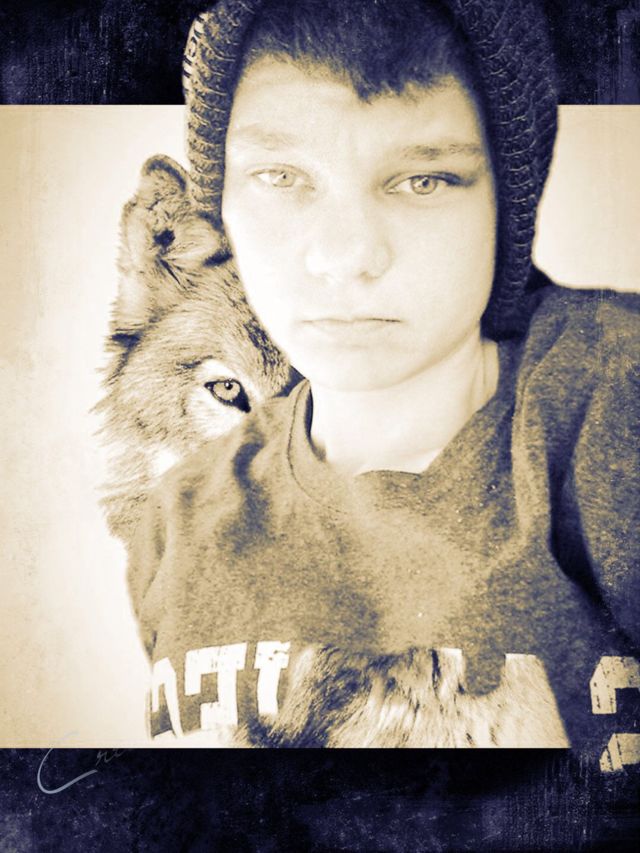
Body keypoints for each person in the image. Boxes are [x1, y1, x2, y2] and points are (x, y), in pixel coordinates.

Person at [128, 0, 639, 761]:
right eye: (279, 176)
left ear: (507, 207)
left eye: (423, 180)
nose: (345, 256)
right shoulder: (177, 519)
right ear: (223, 202)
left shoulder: (614, 401)